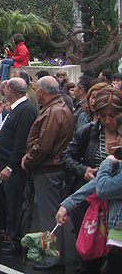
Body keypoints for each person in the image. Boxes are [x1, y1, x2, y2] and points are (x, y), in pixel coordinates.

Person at [61, 86, 122, 272]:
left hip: (113, 204)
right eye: (103, 116)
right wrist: (83, 170)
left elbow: (104, 187)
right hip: (91, 203)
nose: (107, 121)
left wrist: (107, 165)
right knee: (90, 255)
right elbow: (67, 156)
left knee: (113, 259)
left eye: (112, 116)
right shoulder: (88, 131)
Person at [21, 76, 73, 270]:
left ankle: (52, 257)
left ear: (42, 91)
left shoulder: (54, 112)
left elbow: (44, 145)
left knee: (49, 214)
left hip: (49, 168)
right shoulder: (59, 108)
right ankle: (52, 255)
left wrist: (28, 158)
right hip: (52, 167)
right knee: (50, 213)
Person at [0, 77, 38, 255]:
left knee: (15, 204)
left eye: (5, 88)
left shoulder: (25, 111)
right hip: (5, 162)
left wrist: (10, 167)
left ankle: (16, 239)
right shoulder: (16, 109)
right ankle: (11, 235)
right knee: (9, 203)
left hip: (14, 168)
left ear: (10, 90)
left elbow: (20, 143)